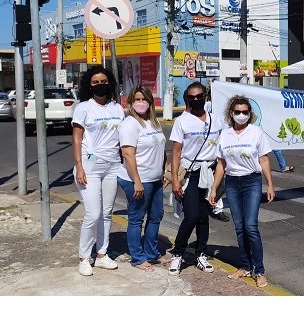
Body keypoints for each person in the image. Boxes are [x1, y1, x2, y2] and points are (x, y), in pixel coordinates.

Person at [209, 95, 275, 288]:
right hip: (232, 182)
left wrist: (270, 184)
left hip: (251, 181)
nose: (241, 115)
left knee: (250, 226)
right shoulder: (225, 135)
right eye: (237, 112)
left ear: (250, 114)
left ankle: (260, 270)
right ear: (231, 113)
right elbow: (221, 164)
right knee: (239, 227)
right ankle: (245, 267)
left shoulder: (256, 132)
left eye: (245, 112)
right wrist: (214, 189)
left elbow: (263, 159)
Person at [72, 65, 125, 276]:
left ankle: (102, 254)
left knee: (105, 213)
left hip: (113, 164)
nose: (100, 85)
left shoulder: (117, 108)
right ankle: (84, 257)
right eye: (95, 82)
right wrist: (79, 166)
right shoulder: (83, 107)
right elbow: (77, 137)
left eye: (103, 82)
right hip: (90, 163)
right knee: (93, 213)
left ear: (109, 83)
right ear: (89, 85)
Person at [168, 81, 225, 276]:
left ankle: (201, 253)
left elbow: (224, 149)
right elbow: (176, 153)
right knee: (191, 216)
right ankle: (177, 253)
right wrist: (175, 180)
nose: (196, 100)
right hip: (191, 173)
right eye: (191, 97)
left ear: (206, 96)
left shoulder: (216, 120)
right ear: (187, 99)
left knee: (203, 217)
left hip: (209, 173)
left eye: (199, 96)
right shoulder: (181, 121)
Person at [117, 85, 168, 272]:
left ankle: (152, 253)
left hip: (155, 179)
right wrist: (137, 181)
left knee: (156, 216)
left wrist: (163, 173)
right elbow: (128, 154)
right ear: (131, 102)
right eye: (137, 99)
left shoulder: (154, 123)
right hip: (138, 180)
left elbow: (161, 150)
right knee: (136, 219)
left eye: (144, 99)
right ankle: (138, 258)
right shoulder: (130, 124)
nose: (141, 103)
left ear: (150, 102)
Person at [203, 88, 231, 222]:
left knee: (221, 185)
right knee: (206, 184)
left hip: (218, 156)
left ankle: (214, 205)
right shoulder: (206, 111)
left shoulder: (222, 119)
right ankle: (212, 207)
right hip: (204, 158)